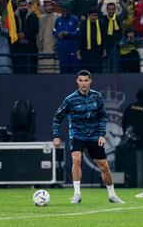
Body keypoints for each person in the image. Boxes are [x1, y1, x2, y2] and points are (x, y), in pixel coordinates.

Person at [52, 69, 125, 204]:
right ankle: (77, 194)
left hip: (93, 136)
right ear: (77, 81)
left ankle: (112, 195)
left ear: (90, 81)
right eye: (81, 80)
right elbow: (57, 118)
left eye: (86, 80)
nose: (84, 83)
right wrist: (56, 136)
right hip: (77, 134)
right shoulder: (70, 99)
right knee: (76, 158)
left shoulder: (97, 96)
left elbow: (103, 116)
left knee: (104, 166)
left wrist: (102, 134)